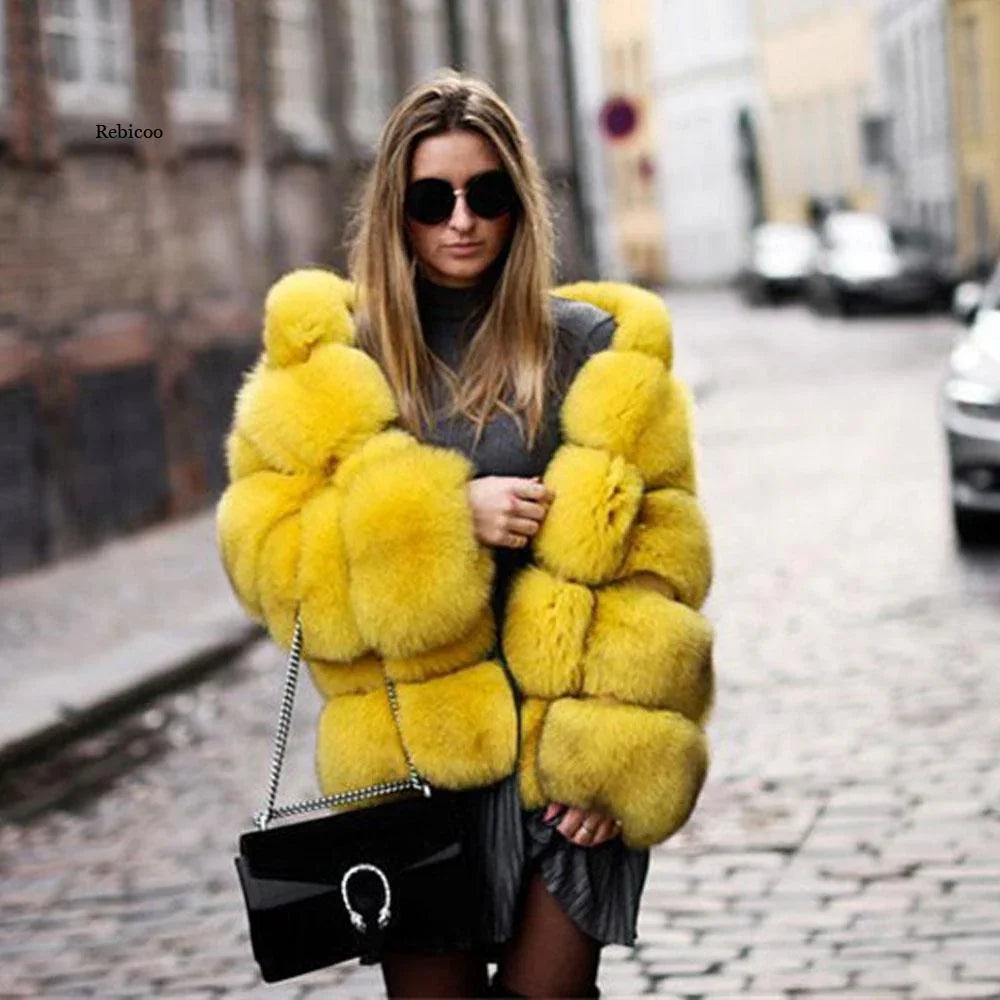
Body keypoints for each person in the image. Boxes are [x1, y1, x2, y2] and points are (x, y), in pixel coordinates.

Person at [217, 71, 714, 999]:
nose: (461, 220)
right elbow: (268, 562)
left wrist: (615, 753)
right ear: (394, 213)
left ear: (518, 204)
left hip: (562, 772)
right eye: (431, 198)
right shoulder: (336, 364)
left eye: (486, 194)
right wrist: (447, 518)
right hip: (409, 769)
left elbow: (661, 561)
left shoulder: (592, 351)